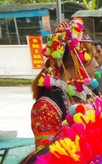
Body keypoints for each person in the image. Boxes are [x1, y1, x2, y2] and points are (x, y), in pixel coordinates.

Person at [30, 18, 98, 147]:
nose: (97, 64)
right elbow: (49, 154)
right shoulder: (45, 107)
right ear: (76, 62)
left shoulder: (90, 95)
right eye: (93, 57)